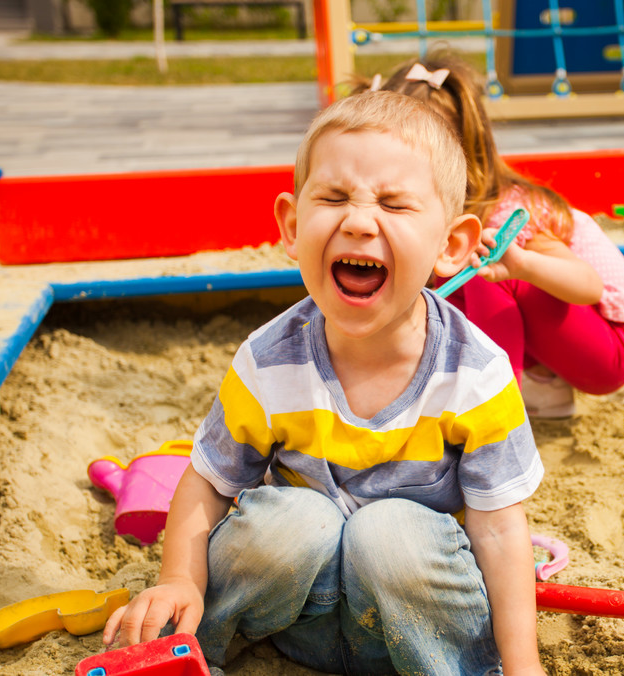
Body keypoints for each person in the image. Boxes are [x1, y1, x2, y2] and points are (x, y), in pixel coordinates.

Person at [102, 90, 546, 676]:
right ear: (291, 224)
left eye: (394, 204)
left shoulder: (474, 372)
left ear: (452, 245)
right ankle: (190, 649)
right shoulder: (269, 361)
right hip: (295, 623)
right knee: (294, 521)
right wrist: (178, 578)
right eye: (334, 197)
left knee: (388, 531)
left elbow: (499, 529)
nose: (359, 221)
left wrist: (524, 666)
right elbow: (207, 482)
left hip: (412, 625)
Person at [372, 53, 624, 418]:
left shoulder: (506, 212)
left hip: (611, 343)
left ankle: (495, 407)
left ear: (462, 154)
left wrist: (521, 263)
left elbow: (588, 286)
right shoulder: (432, 208)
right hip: (566, 338)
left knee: (481, 264)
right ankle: (541, 386)